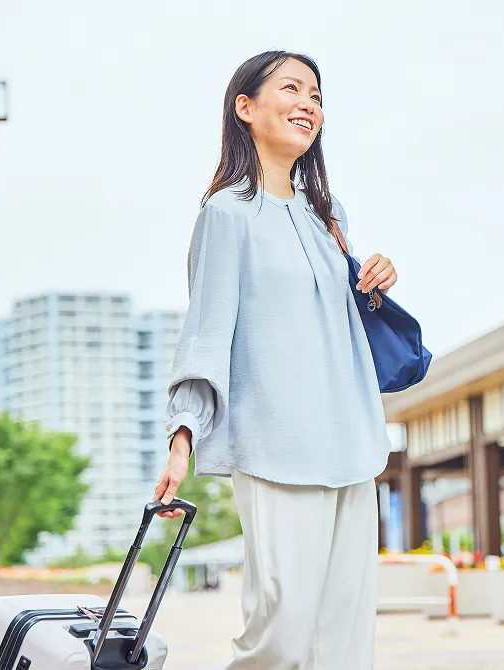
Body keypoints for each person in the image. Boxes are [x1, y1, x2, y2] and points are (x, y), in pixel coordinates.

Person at [153, 51, 398, 669]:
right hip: (274, 445)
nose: (308, 104)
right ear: (246, 108)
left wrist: (374, 277)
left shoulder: (328, 216)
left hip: (351, 441)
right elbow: (206, 333)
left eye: (316, 95)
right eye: (292, 89)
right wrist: (184, 434)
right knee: (281, 629)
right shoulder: (226, 215)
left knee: (343, 639)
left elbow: (339, 324)